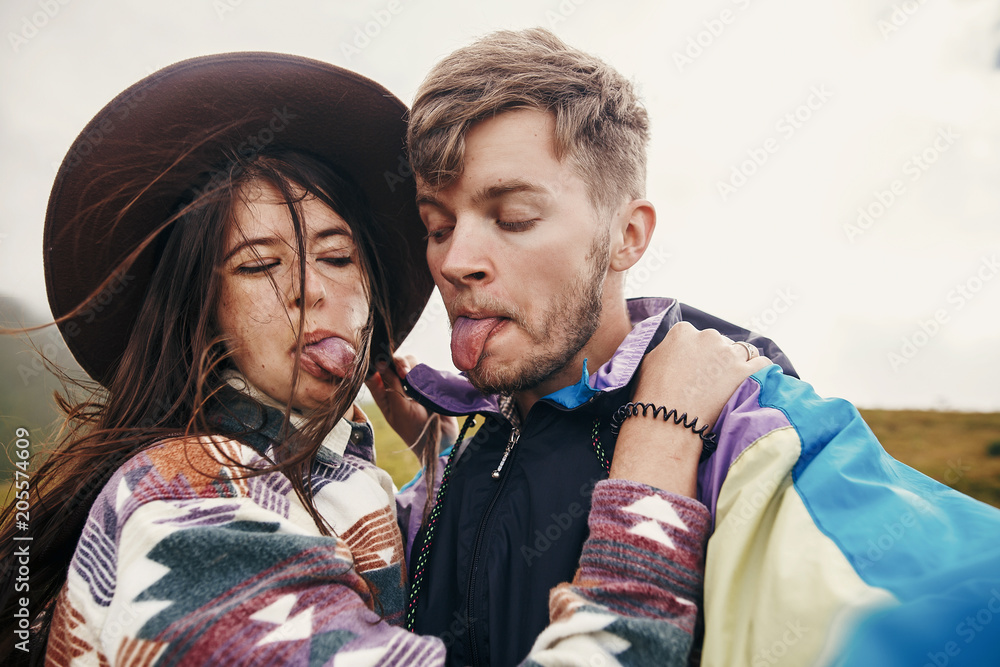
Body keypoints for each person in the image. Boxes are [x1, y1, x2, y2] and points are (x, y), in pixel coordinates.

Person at [0, 52, 763, 667]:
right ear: (203, 312)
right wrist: (657, 453)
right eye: (261, 265)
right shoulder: (183, 506)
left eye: (336, 255)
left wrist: (447, 468)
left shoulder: (324, 483)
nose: (310, 290)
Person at [371, 28, 1000, 666]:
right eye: (437, 226)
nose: (455, 260)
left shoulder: (749, 427)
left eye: (514, 219)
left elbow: (954, 600)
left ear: (627, 236)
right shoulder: (457, 462)